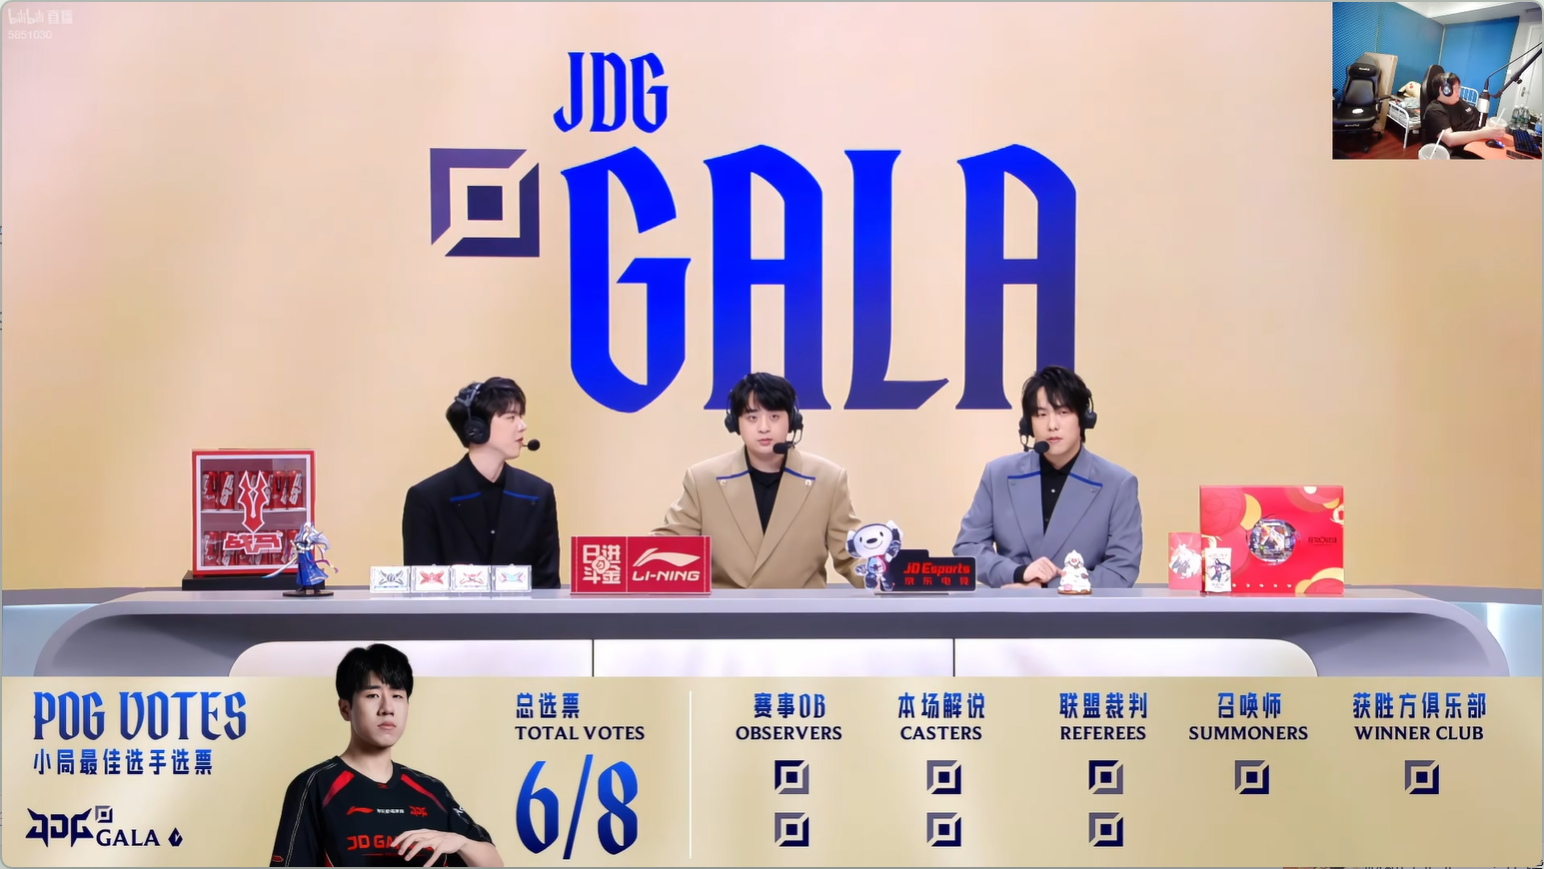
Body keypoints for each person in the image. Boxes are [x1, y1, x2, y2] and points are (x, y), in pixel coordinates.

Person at [270, 644, 502, 867]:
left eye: (397, 696)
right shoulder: (315, 786)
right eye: (372, 695)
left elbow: (494, 863)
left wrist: (461, 843)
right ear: (345, 708)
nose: (388, 708)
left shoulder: (432, 790)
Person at [654, 372, 862, 588]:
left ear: (792, 421)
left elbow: (854, 556)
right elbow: (666, 547)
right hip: (726, 608)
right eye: (752, 418)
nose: (764, 427)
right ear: (735, 423)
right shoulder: (703, 480)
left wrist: (879, 573)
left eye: (774, 417)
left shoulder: (828, 480)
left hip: (801, 608)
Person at [952, 365, 1142, 589]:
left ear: (1083, 419)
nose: (1052, 425)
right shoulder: (998, 474)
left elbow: (1121, 569)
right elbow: (968, 547)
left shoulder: (1118, 484)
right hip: (1010, 607)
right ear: (1028, 424)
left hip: (1082, 609)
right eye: (1041, 415)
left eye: (1063, 413)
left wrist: (1045, 587)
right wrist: (1018, 573)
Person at [402, 378, 559, 587]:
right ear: (476, 428)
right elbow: (421, 587)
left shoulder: (538, 493)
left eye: (520, 417)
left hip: (522, 609)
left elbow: (547, 585)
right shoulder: (428, 497)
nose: (522, 426)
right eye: (510, 417)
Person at [1421, 66, 1492, 158]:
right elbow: (1450, 139)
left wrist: (1488, 128)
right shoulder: (1435, 109)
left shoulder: (1458, 101)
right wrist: (1483, 133)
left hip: (1478, 142)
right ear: (1443, 90)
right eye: (1454, 88)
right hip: (1462, 151)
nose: (1458, 92)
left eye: (1458, 88)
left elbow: (1473, 116)